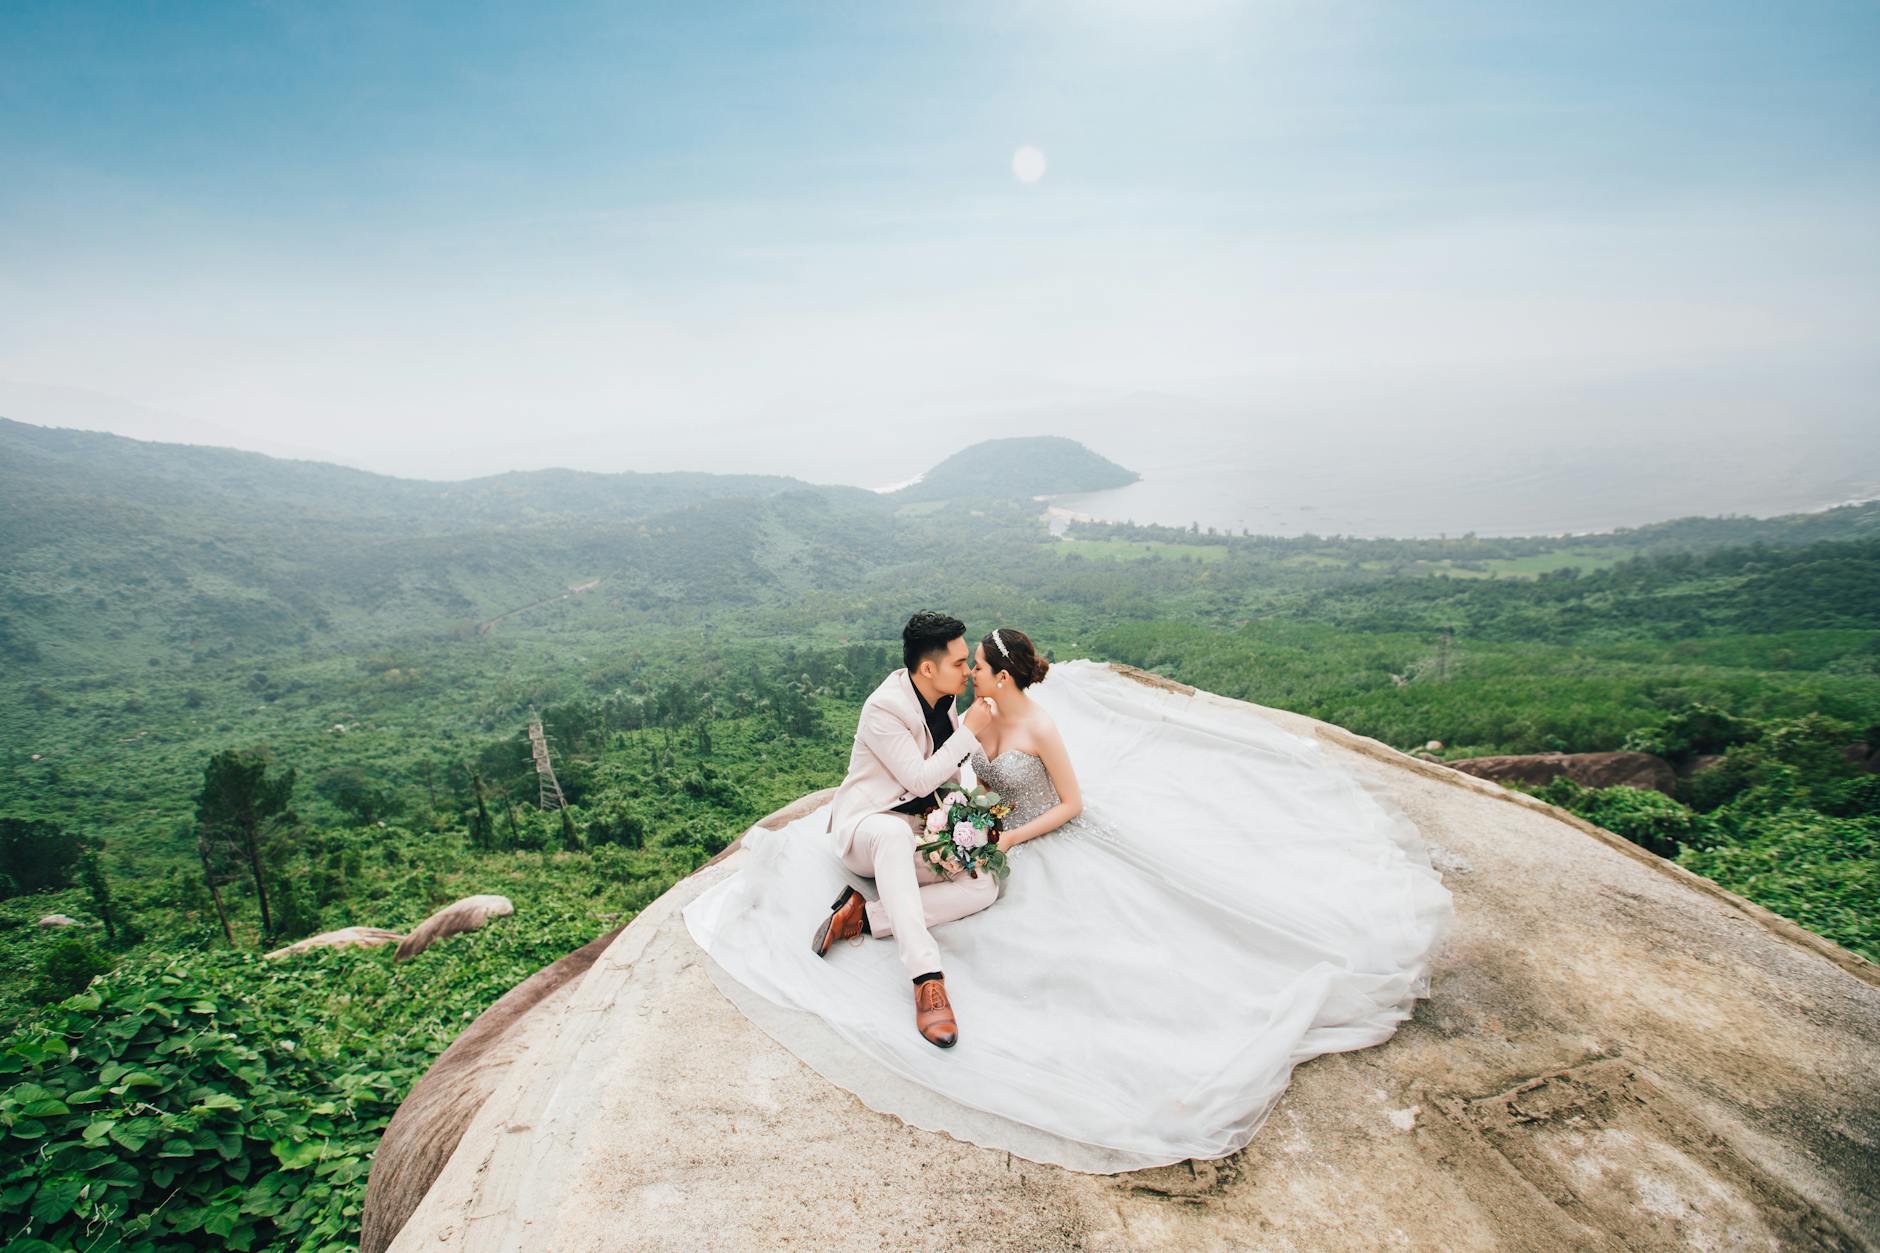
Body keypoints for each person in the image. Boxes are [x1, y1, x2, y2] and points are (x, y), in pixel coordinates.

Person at [680, 626, 1455, 1173]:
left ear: (1000, 675)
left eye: (977, 665)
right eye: (961, 664)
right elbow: (944, 778)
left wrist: (1003, 834)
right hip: (944, 828)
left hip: (1042, 838)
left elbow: (1070, 802)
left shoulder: (1033, 723)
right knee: (951, 871)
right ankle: (912, 961)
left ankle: (872, 918)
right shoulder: (946, 711)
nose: (969, 672)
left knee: (1039, 923)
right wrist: (965, 818)